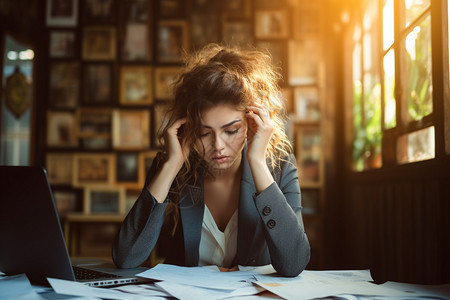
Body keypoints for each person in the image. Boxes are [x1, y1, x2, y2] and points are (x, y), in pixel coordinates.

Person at [112, 44, 310, 277]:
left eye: (231, 130)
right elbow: (126, 257)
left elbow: (295, 263)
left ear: (251, 123)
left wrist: (257, 162)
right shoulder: (173, 165)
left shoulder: (280, 167)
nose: (217, 145)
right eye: (204, 133)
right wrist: (171, 165)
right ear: (188, 128)